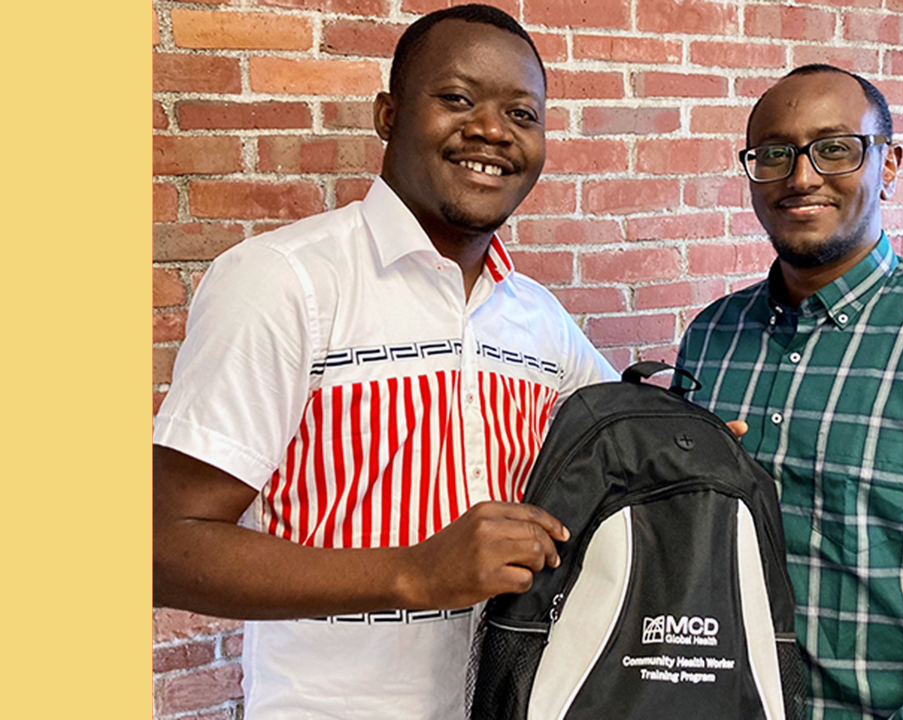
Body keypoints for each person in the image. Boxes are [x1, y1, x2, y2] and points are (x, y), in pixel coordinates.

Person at [152, 5, 617, 718]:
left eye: (521, 113)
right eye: (457, 99)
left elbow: (624, 438)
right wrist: (412, 573)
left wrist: (697, 450)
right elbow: (163, 548)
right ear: (388, 114)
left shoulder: (538, 319)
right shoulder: (284, 282)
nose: (492, 129)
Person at [674, 64, 903, 719]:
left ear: (891, 163)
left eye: (835, 148)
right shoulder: (712, 337)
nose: (801, 176)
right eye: (774, 154)